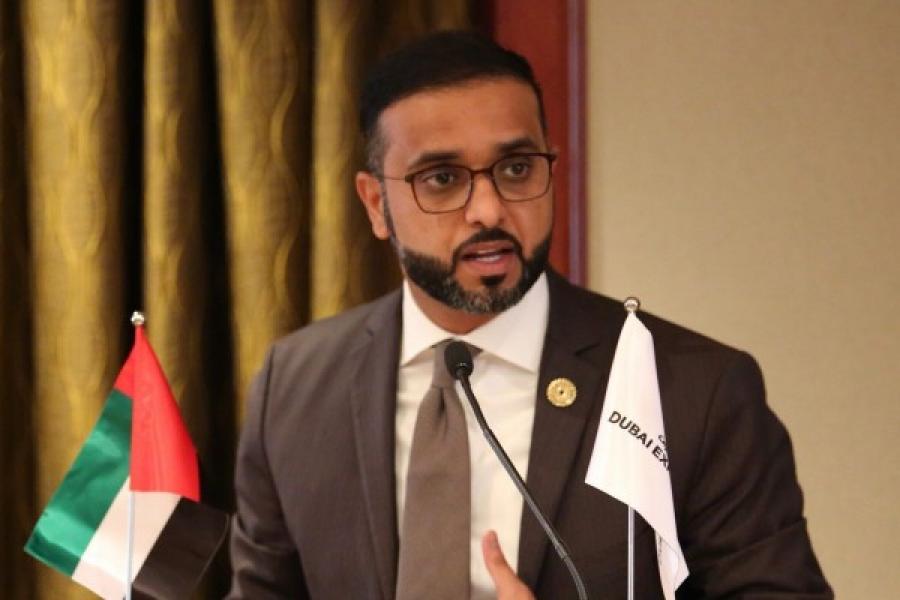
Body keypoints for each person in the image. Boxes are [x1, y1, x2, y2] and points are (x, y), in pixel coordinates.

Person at [227, 31, 831, 599]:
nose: (488, 210)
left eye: (517, 169)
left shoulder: (694, 391)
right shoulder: (296, 388)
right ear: (375, 204)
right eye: (442, 179)